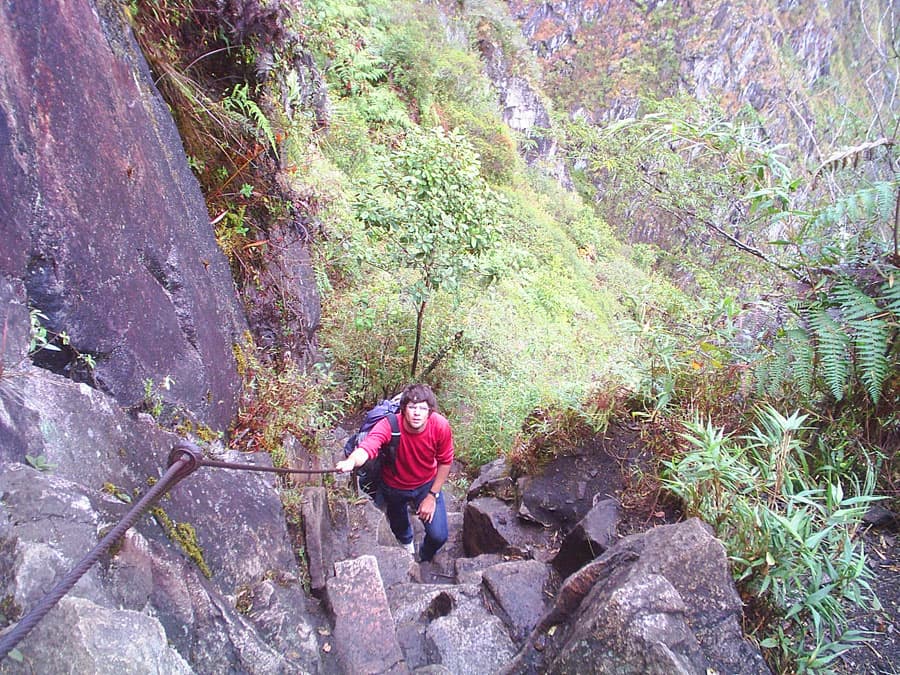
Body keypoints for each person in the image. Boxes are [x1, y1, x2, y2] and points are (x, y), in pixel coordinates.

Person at [336, 383, 453, 562]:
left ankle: (424, 557)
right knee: (399, 525)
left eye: (422, 408)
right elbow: (369, 445)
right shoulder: (389, 425)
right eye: (412, 407)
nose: (416, 413)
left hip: (426, 484)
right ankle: (407, 547)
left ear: (430, 411)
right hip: (394, 486)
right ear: (403, 408)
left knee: (439, 536)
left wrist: (431, 496)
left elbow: (445, 461)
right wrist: (351, 461)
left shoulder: (440, 426)